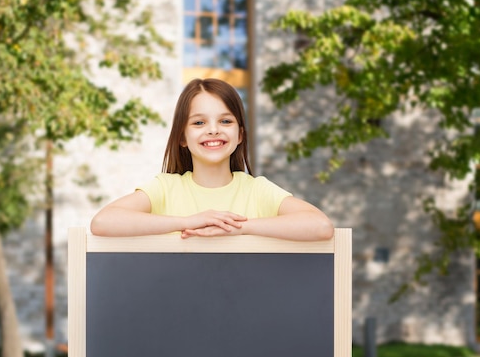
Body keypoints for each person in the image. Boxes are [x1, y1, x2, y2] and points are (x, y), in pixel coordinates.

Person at [90, 78, 334, 241]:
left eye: (225, 121)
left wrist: (238, 228)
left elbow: (321, 226)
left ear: (239, 135)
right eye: (199, 123)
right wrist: (189, 222)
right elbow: (103, 222)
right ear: (182, 137)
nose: (213, 130)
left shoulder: (256, 190)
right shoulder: (165, 188)